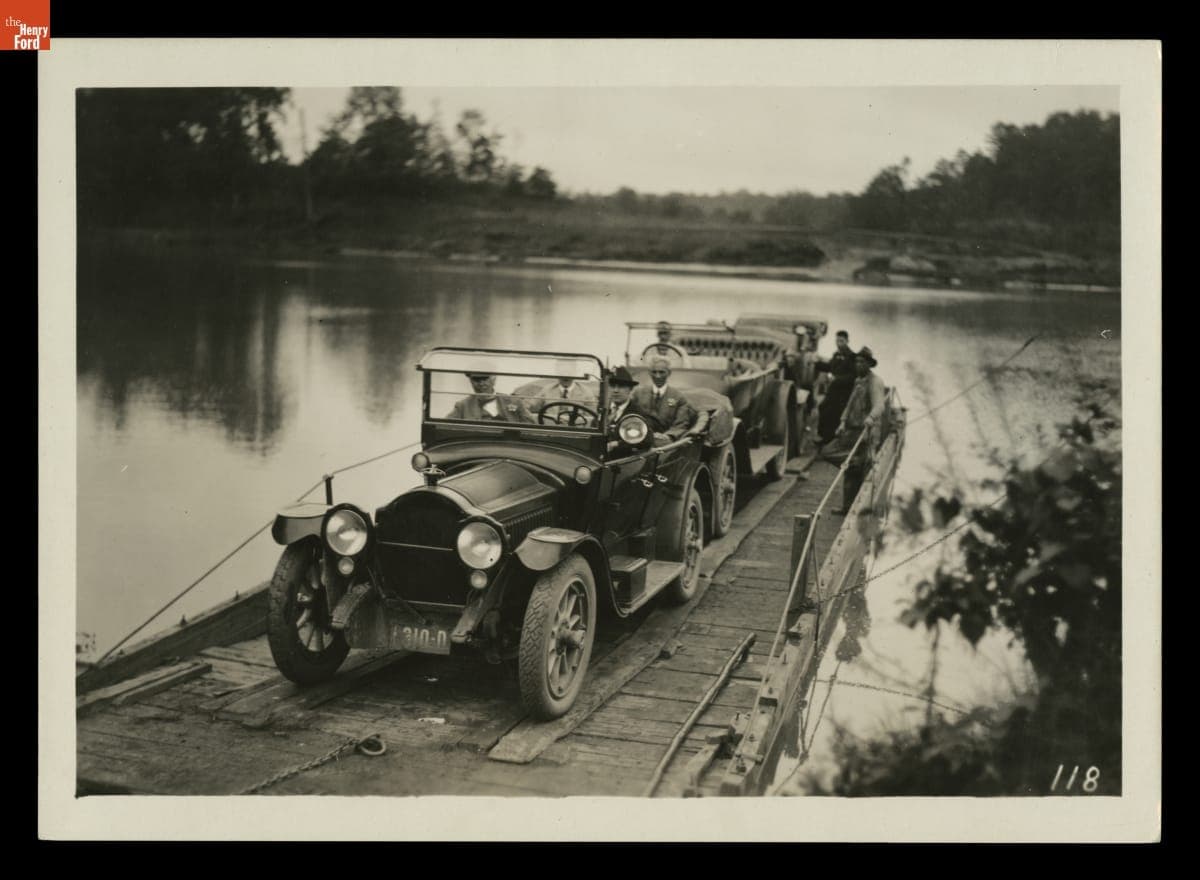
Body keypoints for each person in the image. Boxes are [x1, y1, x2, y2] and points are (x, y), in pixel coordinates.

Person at [832, 346, 886, 512]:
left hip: (867, 432)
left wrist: (870, 418)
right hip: (852, 430)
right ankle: (847, 507)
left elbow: (880, 406)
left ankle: (862, 510)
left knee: (866, 469)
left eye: (862, 362)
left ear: (869, 364)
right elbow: (850, 404)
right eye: (856, 361)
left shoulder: (874, 381)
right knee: (848, 466)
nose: (858, 365)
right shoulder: (858, 380)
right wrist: (842, 421)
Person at [631, 357, 694, 445]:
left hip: (665, 443)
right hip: (639, 439)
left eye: (662, 372)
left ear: (669, 373)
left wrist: (668, 436)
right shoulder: (638, 394)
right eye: (654, 372)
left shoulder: (678, 397)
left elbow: (681, 424)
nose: (658, 376)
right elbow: (630, 417)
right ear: (649, 373)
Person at [814, 330, 856, 447]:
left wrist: (837, 379)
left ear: (847, 341)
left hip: (844, 392)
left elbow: (853, 376)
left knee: (835, 414)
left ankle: (829, 440)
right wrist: (817, 364)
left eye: (841, 341)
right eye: (837, 341)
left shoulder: (852, 357)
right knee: (823, 407)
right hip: (833, 390)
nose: (839, 343)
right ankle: (823, 436)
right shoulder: (836, 355)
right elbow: (830, 367)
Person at [445, 371, 536, 423]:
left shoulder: (514, 402)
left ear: (494, 378)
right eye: (476, 379)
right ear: (470, 381)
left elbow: (532, 426)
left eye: (485, 378)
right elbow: (445, 427)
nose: (481, 383)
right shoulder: (463, 406)